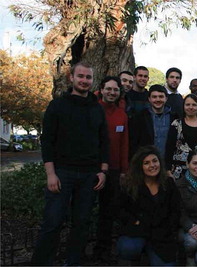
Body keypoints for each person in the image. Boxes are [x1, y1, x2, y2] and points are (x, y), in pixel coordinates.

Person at [32, 62, 109, 266]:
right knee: (52, 223)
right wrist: (50, 173)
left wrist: (103, 171)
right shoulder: (57, 105)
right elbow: (47, 140)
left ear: (93, 80)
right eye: (81, 76)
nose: (84, 81)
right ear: (71, 78)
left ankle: (73, 262)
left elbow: (103, 141)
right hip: (61, 173)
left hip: (89, 175)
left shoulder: (97, 108)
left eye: (88, 77)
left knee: (82, 224)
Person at [116, 146, 180, 266]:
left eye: (155, 161)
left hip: (162, 236)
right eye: (146, 163)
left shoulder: (169, 184)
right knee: (129, 248)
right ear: (140, 166)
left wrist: (169, 228)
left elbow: (176, 210)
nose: (152, 165)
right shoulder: (131, 186)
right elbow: (119, 209)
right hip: (137, 231)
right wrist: (134, 222)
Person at [94, 76, 129, 263]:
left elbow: (124, 144)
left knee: (108, 212)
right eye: (108, 89)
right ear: (101, 89)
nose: (112, 93)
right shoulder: (93, 110)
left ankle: (103, 251)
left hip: (114, 170)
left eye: (115, 90)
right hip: (92, 168)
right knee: (84, 211)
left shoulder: (122, 114)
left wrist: (124, 170)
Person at [166, 94, 197, 179]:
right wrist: (167, 169)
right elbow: (169, 148)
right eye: (188, 105)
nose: (191, 107)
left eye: (194, 105)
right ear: (183, 106)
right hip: (178, 171)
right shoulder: (176, 124)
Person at [129, 85, 175, 160]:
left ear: (166, 98)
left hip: (167, 163)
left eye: (161, 97)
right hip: (146, 162)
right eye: (154, 97)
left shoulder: (174, 117)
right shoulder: (140, 117)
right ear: (149, 99)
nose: (158, 99)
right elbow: (134, 142)